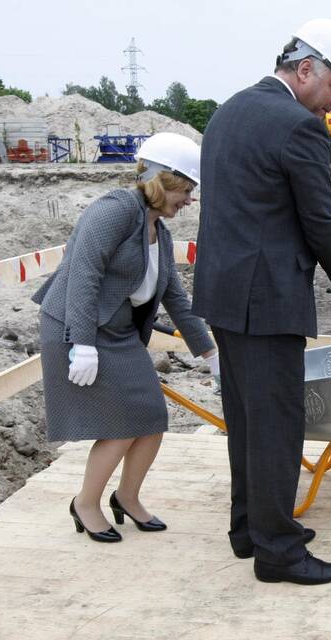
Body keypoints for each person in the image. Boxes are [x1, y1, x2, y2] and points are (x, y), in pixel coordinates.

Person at [192, 18, 331, 585]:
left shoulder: (227, 112)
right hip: (266, 300)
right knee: (277, 425)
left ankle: (251, 529)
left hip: (223, 294)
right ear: (307, 68)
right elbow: (319, 216)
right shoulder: (297, 127)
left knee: (245, 419)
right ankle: (279, 553)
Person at [33, 132, 218, 543]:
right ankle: (85, 503)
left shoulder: (159, 232)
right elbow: (83, 275)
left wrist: (209, 353)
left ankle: (127, 498)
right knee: (119, 425)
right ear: (163, 181)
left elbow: (174, 297)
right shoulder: (114, 211)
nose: (189, 200)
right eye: (187, 190)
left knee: (151, 418)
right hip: (77, 327)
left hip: (117, 332)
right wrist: (81, 343)